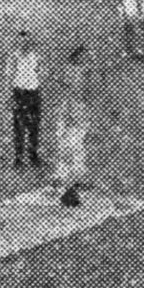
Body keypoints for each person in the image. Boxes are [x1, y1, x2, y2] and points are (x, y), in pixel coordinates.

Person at [53, 46, 91, 198]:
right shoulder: (70, 70)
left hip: (78, 111)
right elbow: (68, 91)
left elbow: (82, 92)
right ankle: (62, 177)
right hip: (68, 112)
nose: (86, 59)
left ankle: (77, 177)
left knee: (77, 145)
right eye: (83, 56)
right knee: (66, 145)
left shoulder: (84, 71)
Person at [9, 31, 45, 173]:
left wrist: (38, 86)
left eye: (27, 41)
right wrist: (11, 95)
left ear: (30, 42)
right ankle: (18, 157)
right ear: (18, 42)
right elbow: (9, 75)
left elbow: (41, 72)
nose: (24, 44)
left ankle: (33, 155)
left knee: (34, 126)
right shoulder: (14, 56)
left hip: (33, 93)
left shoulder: (36, 56)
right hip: (19, 93)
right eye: (21, 41)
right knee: (19, 126)